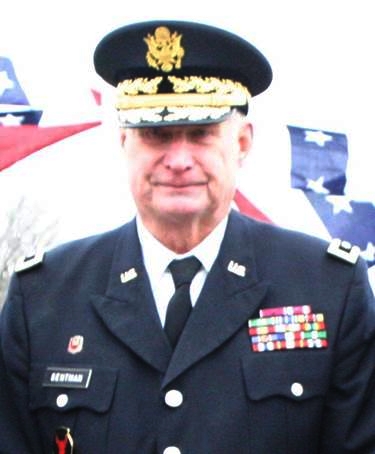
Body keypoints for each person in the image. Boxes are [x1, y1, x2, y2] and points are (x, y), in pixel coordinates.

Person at [1, 20, 375, 454]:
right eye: (156, 135)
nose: (178, 160)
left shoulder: (328, 289)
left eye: (200, 134)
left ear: (242, 143)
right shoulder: (44, 296)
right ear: (124, 142)